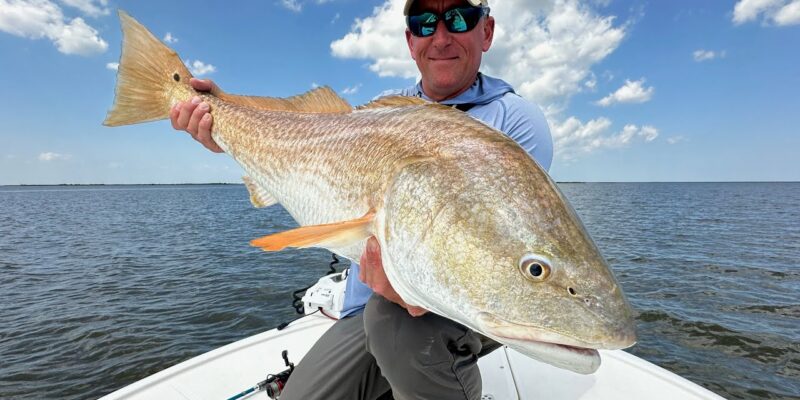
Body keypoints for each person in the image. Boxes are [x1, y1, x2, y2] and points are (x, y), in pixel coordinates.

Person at [170, 0, 553, 398]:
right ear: (410, 41)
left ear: (486, 31)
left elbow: (505, 245)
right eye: (424, 23)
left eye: (459, 18)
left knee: (395, 322)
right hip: (364, 305)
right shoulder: (385, 110)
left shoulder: (514, 120)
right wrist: (224, 114)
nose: (440, 36)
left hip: (453, 311)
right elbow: (300, 134)